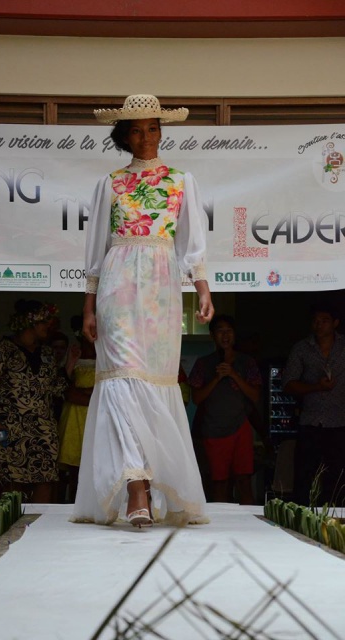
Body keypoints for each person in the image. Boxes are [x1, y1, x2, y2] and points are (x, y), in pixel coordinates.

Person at [72, 94, 214, 528]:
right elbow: (96, 248)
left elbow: (191, 243)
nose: (146, 137)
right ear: (124, 137)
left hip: (161, 289)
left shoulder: (181, 180)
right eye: (136, 130)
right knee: (121, 380)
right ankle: (136, 487)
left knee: (153, 381)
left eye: (153, 128)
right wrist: (89, 305)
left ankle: (151, 480)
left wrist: (203, 290)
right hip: (117, 284)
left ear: (161, 132)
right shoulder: (110, 184)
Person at [0, 299, 76, 503]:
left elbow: (56, 388)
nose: (48, 326)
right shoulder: (4, 349)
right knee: (9, 481)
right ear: (30, 322)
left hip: (42, 428)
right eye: (44, 322)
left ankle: (41, 522)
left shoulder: (47, 353)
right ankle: (7, 521)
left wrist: (70, 365)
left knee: (45, 478)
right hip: (9, 426)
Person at [188, 314, 262, 505]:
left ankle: (249, 520)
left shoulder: (247, 362)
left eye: (229, 331)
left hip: (240, 427)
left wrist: (234, 374)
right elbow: (196, 398)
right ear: (212, 335)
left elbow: (255, 396)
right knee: (219, 483)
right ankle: (220, 520)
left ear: (235, 335)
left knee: (244, 481)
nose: (225, 335)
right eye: (220, 331)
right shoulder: (203, 363)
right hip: (213, 430)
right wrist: (217, 378)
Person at [283, 302, 345, 506]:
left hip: (340, 422)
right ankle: (303, 516)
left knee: (337, 476)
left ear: (335, 323)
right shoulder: (302, 348)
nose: (319, 325)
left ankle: (336, 517)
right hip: (310, 421)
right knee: (305, 475)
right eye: (316, 321)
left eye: (324, 321)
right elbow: (288, 384)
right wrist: (316, 386)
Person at [58, 330, 96, 502]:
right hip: (74, 419)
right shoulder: (74, 362)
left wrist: (84, 392)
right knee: (75, 470)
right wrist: (92, 394)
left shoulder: (106, 361)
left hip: (97, 419)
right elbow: (67, 391)